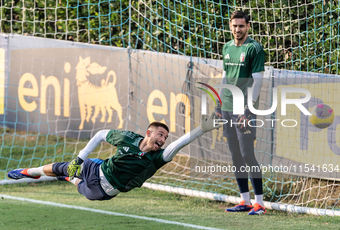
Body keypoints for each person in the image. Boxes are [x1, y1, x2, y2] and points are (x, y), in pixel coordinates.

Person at [7, 113, 220, 201]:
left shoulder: (158, 157)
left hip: (103, 191)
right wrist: (80, 158)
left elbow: (180, 143)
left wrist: (203, 128)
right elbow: (100, 134)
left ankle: (68, 177)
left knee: (77, 183)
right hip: (96, 169)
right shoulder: (128, 138)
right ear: (148, 133)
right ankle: (27, 172)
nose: (163, 140)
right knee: (65, 167)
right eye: (160, 135)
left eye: (165, 138)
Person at [215, 10, 266, 215]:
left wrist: (248, 108)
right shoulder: (227, 47)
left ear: (248, 26)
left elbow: (259, 79)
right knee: (235, 155)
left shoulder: (254, 48)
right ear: (230, 26)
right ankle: (244, 200)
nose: (238, 30)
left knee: (247, 154)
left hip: (244, 109)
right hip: (227, 107)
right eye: (234, 26)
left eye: (241, 26)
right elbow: (226, 77)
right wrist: (218, 104)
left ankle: (260, 203)